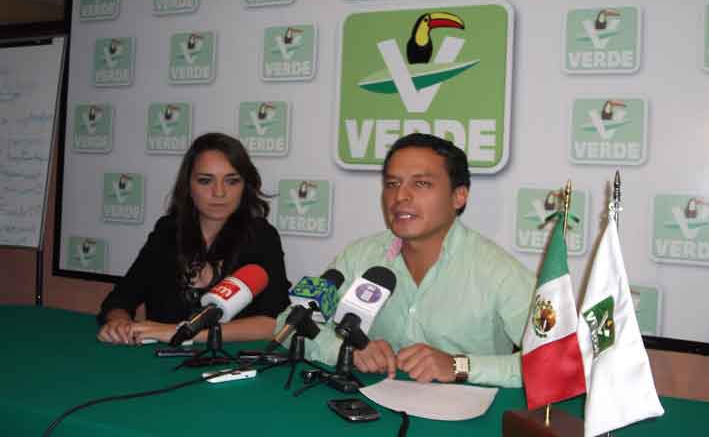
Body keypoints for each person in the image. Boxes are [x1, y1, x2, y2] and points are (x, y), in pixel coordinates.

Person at [280, 133, 535, 387]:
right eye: (392, 184)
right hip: (372, 403)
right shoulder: (360, 256)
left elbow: (553, 360)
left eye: (421, 183)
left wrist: (459, 366)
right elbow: (287, 324)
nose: (400, 196)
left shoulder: (499, 272)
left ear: (459, 196)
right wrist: (347, 352)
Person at [97, 133, 291, 345]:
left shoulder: (261, 236)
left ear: (245, 186)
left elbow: (274, 323)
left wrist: (182, 333)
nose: (219, 192)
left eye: (232, 181)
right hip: (159, 359)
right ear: (188, 185)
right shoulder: (167, 231)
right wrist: (119, 323)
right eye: (205, 181)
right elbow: (120, 299)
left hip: (228, 359)